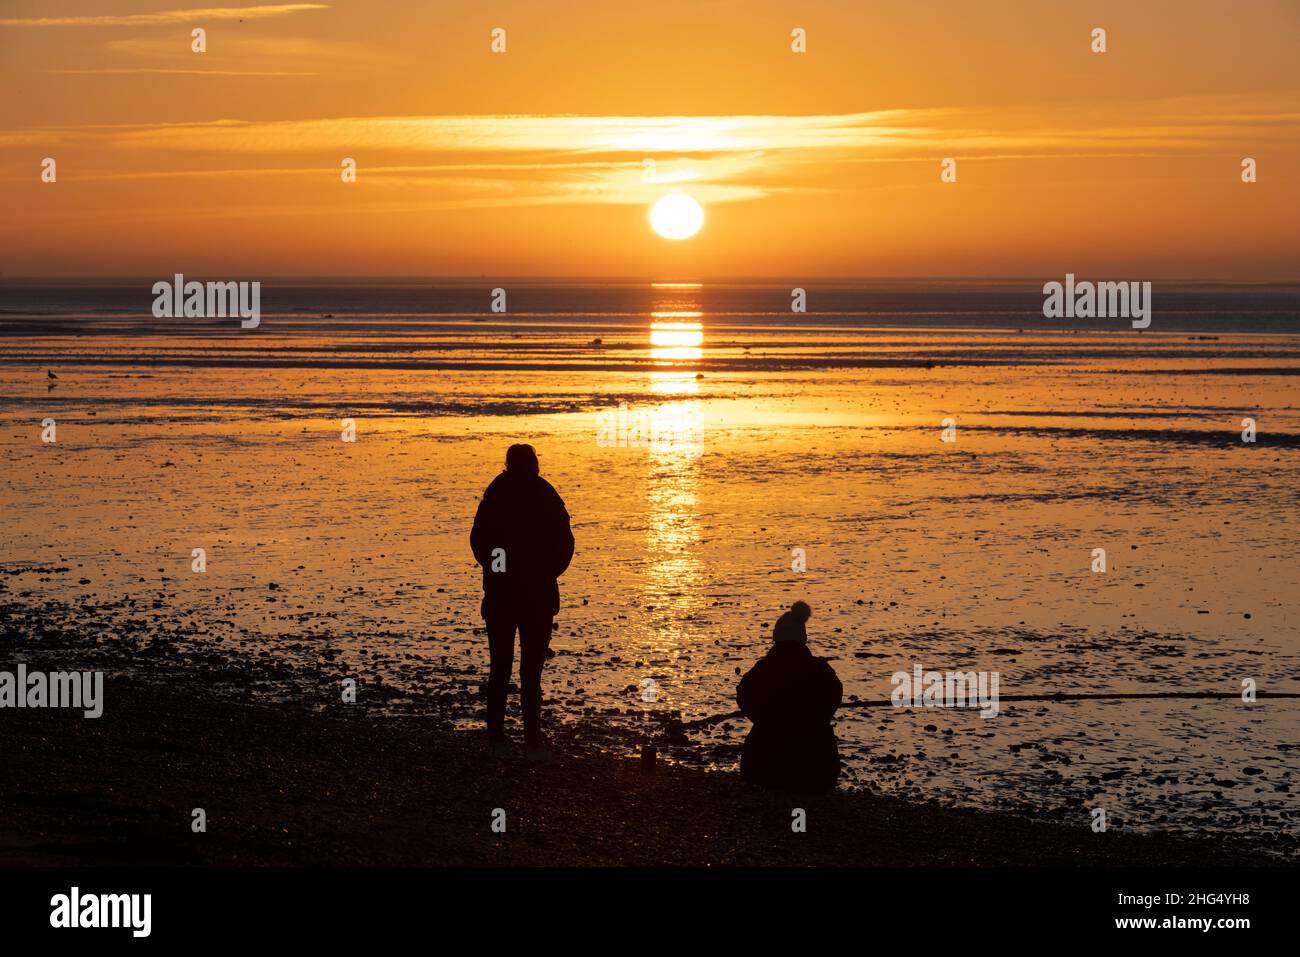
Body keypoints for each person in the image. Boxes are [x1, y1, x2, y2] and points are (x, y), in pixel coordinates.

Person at [470, 444, 574, 758]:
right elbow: (564, 543)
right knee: (530, 673)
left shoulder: (497, 493)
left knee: (500, 669)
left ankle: (498, 741)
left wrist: (498, 569)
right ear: (534, 465)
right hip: (536, 596)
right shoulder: (545, 495)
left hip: (504, 594)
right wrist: (545, 573)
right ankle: (531, 743)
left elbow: (479, 542)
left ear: (508, 464)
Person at [736, 601, 842, 793]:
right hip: (817, 770)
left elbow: (744, 697)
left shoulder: (761, 671)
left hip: (764, 769)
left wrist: (766, 720)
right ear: (803, 638)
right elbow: (835, 696)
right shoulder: (821, 671)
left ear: (776, 637)